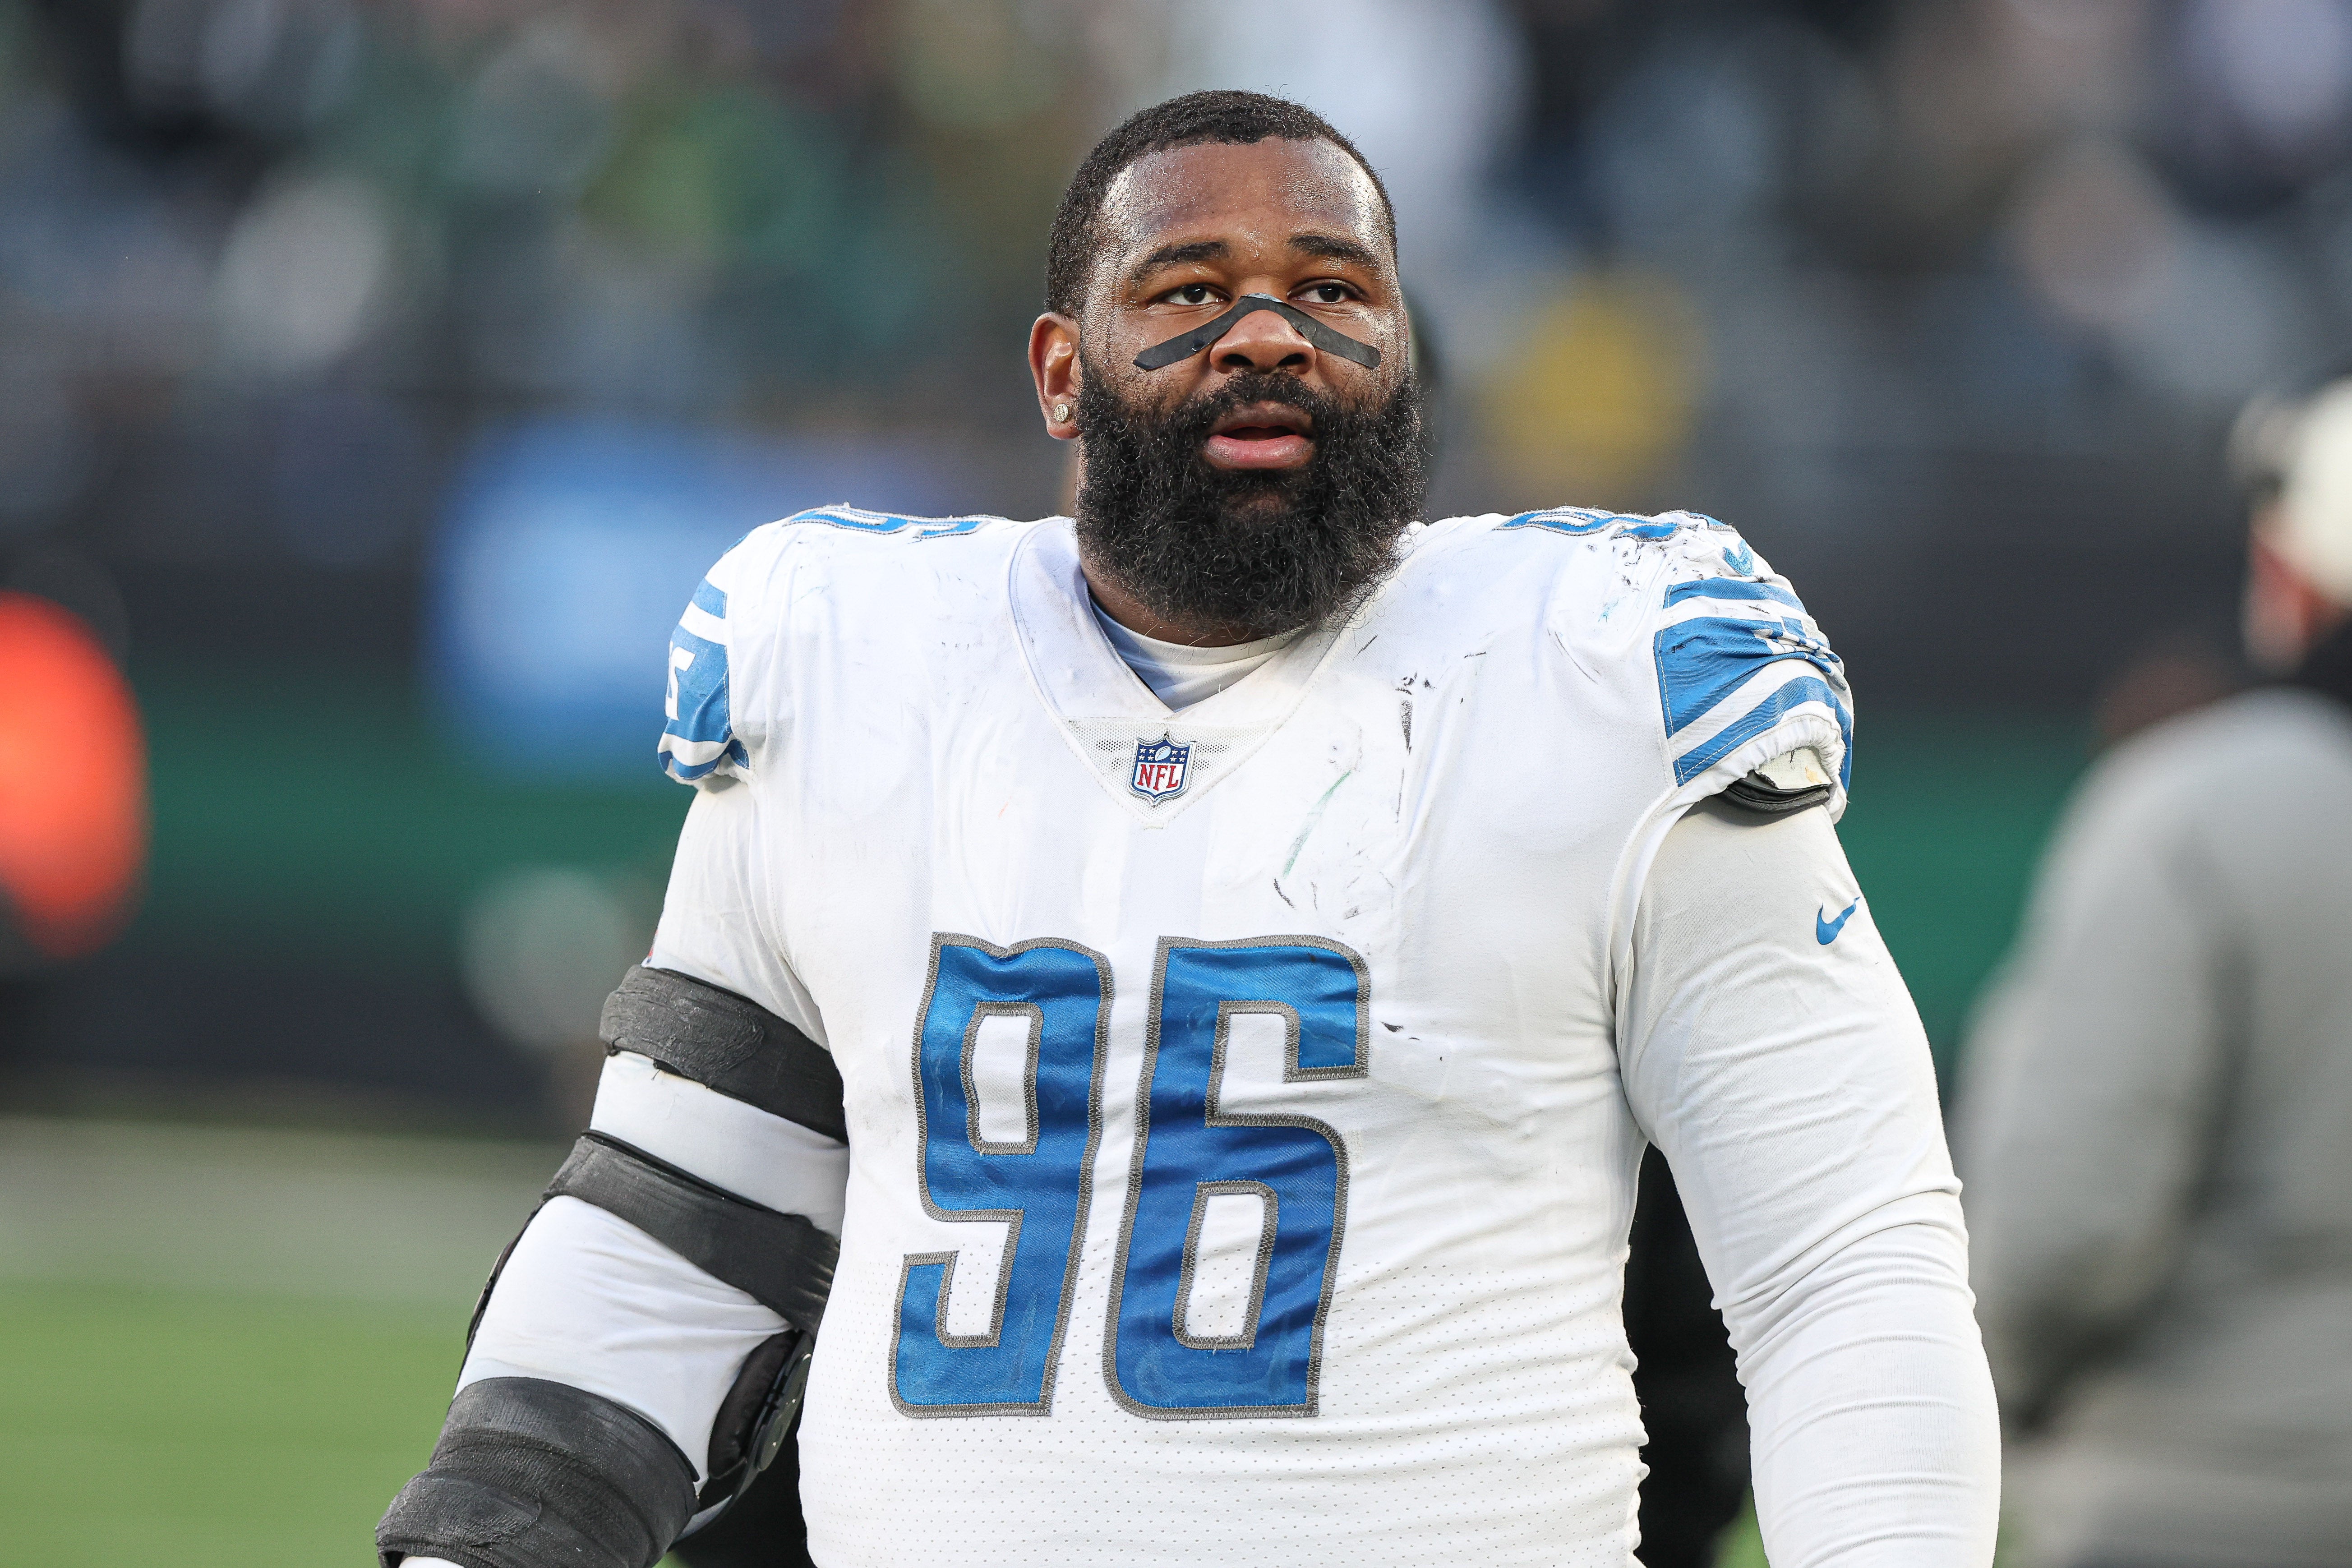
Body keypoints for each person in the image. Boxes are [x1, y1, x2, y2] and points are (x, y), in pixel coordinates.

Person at [379, 91, 1997, 1568]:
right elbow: (670, 1239)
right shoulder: (856, 668)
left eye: (1333, 287)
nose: (1268, 333)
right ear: (1059, 372)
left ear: (1402, 355)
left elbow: (1843, 1262)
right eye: (1187, 289)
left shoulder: (1605, 673)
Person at [1959, 377, 2352, 1568]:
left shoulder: (2195, 810)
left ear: (2288, 569)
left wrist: (1987, 1390)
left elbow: (2065, 1229)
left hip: (2209, 1499)